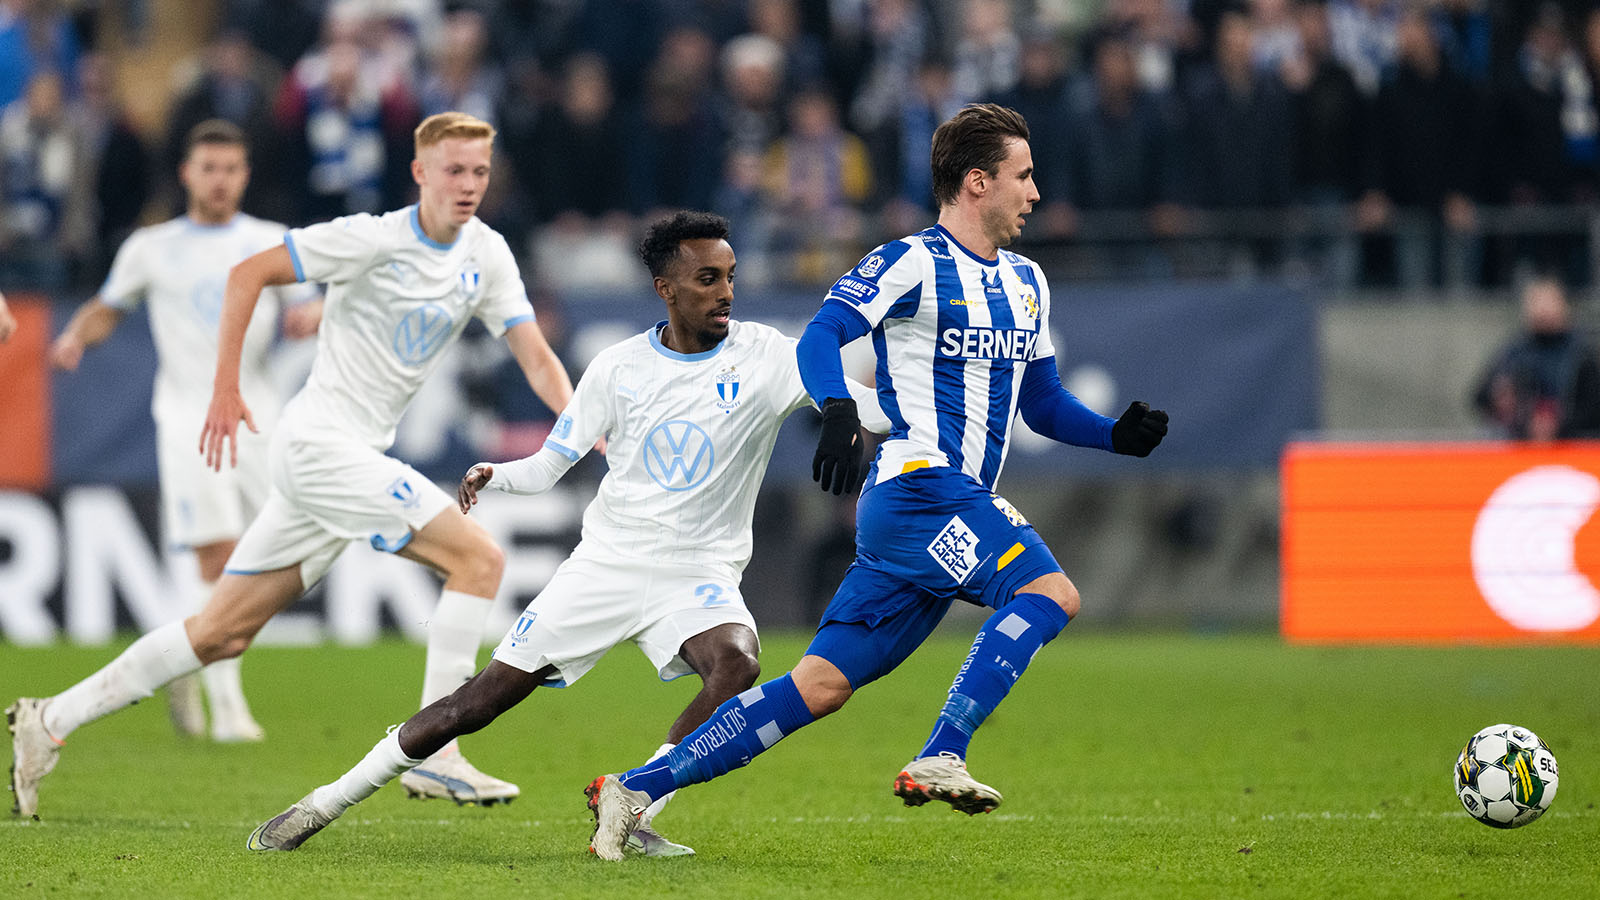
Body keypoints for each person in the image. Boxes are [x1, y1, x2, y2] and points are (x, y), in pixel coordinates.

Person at [587, 104, 1170, 861]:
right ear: (977, 181)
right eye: (1023, 177)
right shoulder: (911, 262)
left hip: (930, 511)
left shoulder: (1029, 283)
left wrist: (1112, 436)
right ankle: (943, 751)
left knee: (820, 686)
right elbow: (825, 333)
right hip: (922, 486)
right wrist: (837, 408)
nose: (1035, 192)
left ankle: (636, 786)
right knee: (1049, 593)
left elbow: (1043, 401)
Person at [244, 211, 887, 857]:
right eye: (707, 278)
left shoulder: (765, 354)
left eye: (730, 277)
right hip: (606, 565)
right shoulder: (617, 367)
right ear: (665, 288)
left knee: (737, 663)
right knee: (475, 703)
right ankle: (322, 803)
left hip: (698, 572)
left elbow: (852, 398)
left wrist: (872, 413)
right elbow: (554, 461)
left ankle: (633, 802)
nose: (725, 292)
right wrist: (499, 474)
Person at [7, 111, 575, 818]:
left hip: (346, 456)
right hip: (318, 446)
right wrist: (225, 387)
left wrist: (582, 423)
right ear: (420, 172)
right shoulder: (370, 238)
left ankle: (50, 718)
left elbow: (534, 352)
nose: (467, 184)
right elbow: (250, 273)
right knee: (479, 559)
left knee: (221, 632)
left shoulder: (486, 254)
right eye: (453, 170)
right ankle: (436, 753)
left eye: (479, 172)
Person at [49, 119, 323, 744]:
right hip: (188, 418)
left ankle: (185, 652)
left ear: (245, 175)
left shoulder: (270, 240)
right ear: (187, 173)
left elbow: (311, 301)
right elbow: (106, 308)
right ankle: (227, 706)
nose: (220, 180)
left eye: (231, 169)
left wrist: (312, 311)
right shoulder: (152, 247)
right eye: (209, 168)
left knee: (274, 553)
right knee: (217, 552)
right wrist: (73, 337)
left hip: (259, 416)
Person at [1472, 276, 1600, 441]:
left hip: (1576, 444)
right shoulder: (1513, 352)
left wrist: (1558, 425)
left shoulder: (1584, 351)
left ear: (1564, 305)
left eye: (1549, 301)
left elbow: (1593, 404)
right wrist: (1499, 398)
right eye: (1536, 301)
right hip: (1522, 444)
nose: (1543, 309)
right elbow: (1480, 396)